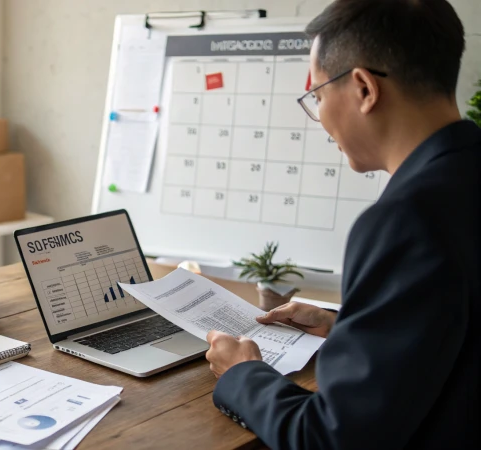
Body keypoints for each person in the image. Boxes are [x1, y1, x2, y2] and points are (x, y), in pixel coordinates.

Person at [204, 0, 479, 448]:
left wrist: (242, 375)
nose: (319, 118)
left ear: (364, 89)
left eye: (317, 95)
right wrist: (345, 324)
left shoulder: (405, 220)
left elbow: (333, 438)